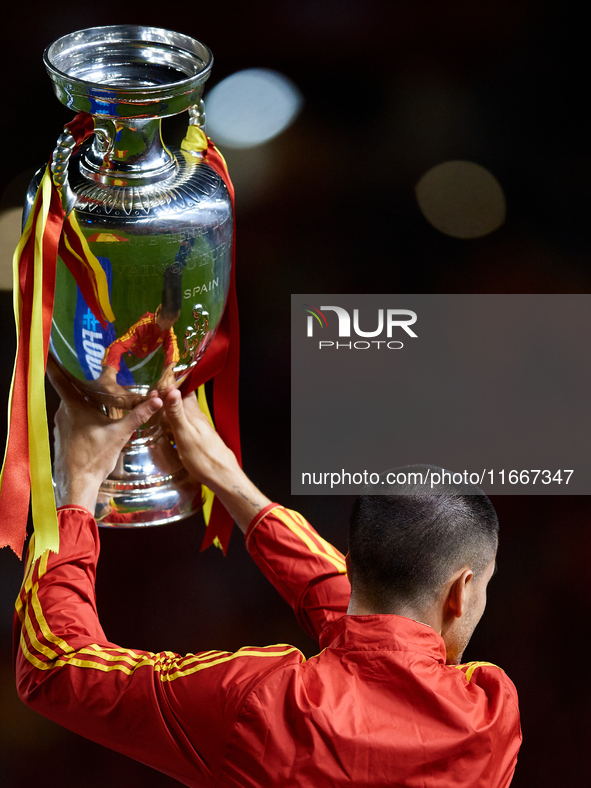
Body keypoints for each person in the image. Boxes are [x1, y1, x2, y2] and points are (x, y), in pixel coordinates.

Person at [14, 364, 521, 787]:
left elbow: (56, 667)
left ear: (352, 556)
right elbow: (376, 628)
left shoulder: (260, 701)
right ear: (462, 590)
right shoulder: (492, 719)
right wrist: (230, 481)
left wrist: (76, 488)